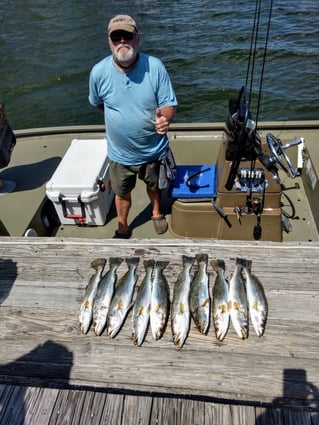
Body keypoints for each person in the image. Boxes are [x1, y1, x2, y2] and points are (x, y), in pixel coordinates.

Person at [89, 14, 178, 238]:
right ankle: (122, 225)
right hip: (120, 155)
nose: (122, 42)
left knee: (154, 186)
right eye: (115, 37)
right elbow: (98, 103)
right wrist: (121, 120)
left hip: (153, 150)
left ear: (137, 38)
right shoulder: (98, 72)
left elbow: (168, 103)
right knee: (121, 193)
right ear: (109, 41)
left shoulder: (155, 66)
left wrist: (165, 119)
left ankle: (156, 213)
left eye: (127, 36)